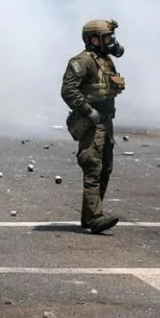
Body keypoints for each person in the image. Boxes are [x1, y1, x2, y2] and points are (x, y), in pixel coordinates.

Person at [60, 19, 127, 234]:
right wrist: (88, 110)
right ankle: (95, 218)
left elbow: (119, 51)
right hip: (92, 123)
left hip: (106, 122)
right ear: (94, 40)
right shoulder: (83, 61)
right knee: (93, 167)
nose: (110, 41)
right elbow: (68, 90)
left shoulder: (104, 59)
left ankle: (89, 217)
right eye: (106, 37)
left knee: (105, 168)